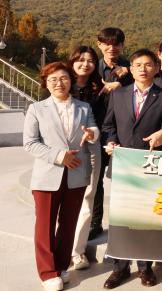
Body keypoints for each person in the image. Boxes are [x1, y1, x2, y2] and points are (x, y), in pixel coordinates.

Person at [102, 49, 162, 289]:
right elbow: (108, 125)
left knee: (145, 217)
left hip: (149, 165)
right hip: (122, 164)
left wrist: (161, 134)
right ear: (130, 69)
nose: (142, 69)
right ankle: (119, 269)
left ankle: (145, 268)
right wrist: (110, 141)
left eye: (147, 64)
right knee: (120, 218)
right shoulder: (119, 94)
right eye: (137, 65)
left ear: (156, 68)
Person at [23, 62, 99, 291]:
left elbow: (94, 130)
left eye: (64, 78)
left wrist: (92, 133)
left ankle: (61, 265)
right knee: (45, 226)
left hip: (76, 173)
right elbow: (29, 143)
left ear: (71, 81)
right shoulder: (36, 109)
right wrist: (59, 156)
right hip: (47, 175)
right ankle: (47, 272)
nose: (59, 83)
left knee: (68, 224)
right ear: (46, 83)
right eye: (53, 79)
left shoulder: (84, 107)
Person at [65, 47, 108, 271]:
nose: (85, 64)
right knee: (62, 200)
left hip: (91, 150)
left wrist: (94, 134)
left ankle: (78, 251)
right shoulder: (59, 84)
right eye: (81, 60)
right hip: (63, 154)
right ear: (72, 61)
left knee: (87, 200)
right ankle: (61, 246)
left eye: (90, 61)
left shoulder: (100, 90)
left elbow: (104, 120)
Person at [89, 27, 133, 242]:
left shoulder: (132, 68)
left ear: (122, 46)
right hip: (96, 131)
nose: (111, 48)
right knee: (95, 179)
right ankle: (95, 221)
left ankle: (122, 221)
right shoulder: (90, 69)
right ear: (99, 45)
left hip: (122, 132)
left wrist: (123, 83)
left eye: (116, 44)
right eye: (106, 43)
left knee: (122, 179)